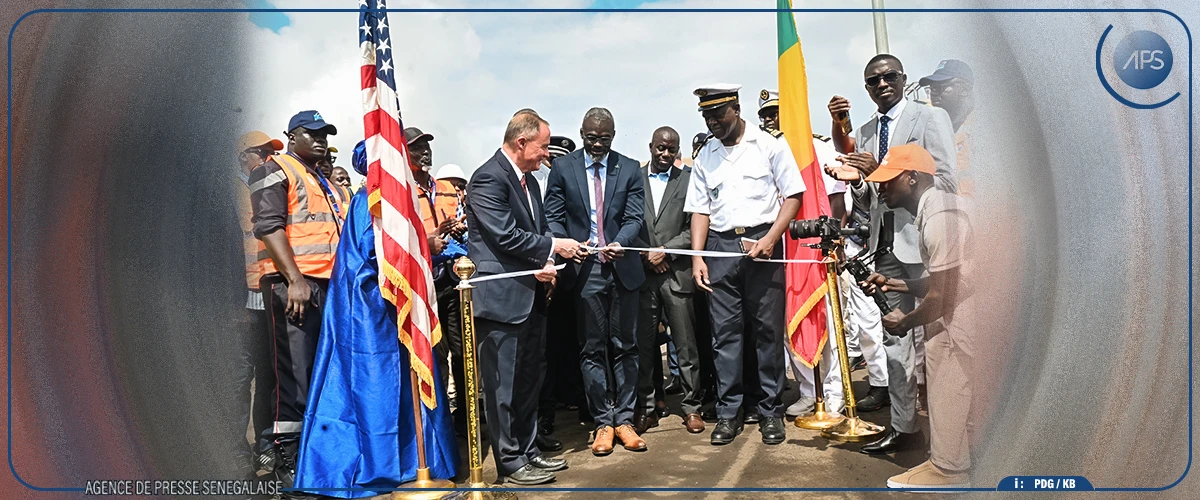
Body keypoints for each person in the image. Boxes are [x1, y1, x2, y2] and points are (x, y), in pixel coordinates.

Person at [293, 139, 459, 498]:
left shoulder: (396, 200)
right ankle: (379, 464)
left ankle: (418, 459)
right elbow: (374, 253)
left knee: (405, 381)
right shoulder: (367, 201)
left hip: (395, 307)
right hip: (369, 312)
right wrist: (422, 248)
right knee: (374, 384)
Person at [825, 54, 958, 455]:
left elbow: (947, 179)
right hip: (882, 245)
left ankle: (950, 432)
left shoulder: (930, 119)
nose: (882, 84)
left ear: (902, 79)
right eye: (873, 81)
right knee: (894, 335)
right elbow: (869, 198)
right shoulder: (866, 130)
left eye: (889, 77)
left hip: (924, 240)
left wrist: (881, 165)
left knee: (937, 335)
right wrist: (862, 179)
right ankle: (904, 428)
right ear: (867, 88)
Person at [685, 84, 805, 446]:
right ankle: (728, 413)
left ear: (735, 109)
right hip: (721, 249)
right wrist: (697, 256)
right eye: (706, 117)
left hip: (763, 246)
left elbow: (794, 195)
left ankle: (770, 411)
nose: (713, 123)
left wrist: (772, 238)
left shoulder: (768, 145)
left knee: (767, 333)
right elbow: (700, 210)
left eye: (718, 115)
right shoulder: (706, 155)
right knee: (725, 337)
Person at [466, 111, 581, 485]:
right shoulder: (487, 179)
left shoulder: (530, 183)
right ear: (521, 142)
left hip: (531, 298)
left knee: (528, 380)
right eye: (543, 147)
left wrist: (546, 262)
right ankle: (510, 462)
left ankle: (528, 450)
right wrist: (554, 247)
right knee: (503, 387)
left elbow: (538, 229)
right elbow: (505, 236)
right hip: (500, 302)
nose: (547, 155)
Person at [859, 144, 976, 489]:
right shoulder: (935, 209)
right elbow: (942, 280)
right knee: (945, 368)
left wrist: (905, 322)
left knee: (948, 376)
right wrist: (896, 282)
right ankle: (950, 463)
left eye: (888, 180)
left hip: (974, 311)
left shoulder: (940, 216)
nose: (880, 187)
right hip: (970, 303)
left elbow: (942, 295)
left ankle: (948, 470)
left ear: (911, 178)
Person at [248, 110, 351, 488]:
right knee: (294, 377)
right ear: (292, 136)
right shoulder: (274, 170)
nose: (321, 140)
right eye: (313, 134)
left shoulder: (321, 179)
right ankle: (287, 463)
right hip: (292, 287)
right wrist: (294, 280)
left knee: (318, 376)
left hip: (324, 287)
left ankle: (316, 459)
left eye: (325, 134)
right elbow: (269, 227)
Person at [544, 107, 647, 456]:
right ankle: (603, 420)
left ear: (614, 136)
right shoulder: (563, 167)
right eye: (591, 138)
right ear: (582, 134)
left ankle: (626, 420)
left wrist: (623, 239)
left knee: (626, 346)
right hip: (585, 271)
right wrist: (567, 245)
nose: (597, 144)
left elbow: (635, 216)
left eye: (604, 138)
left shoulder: (630, 168)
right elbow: (553, 217)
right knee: (591, 348)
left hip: (622, 269)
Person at [756, 89, 864, 418]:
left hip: (814, 247)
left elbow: (835, 199)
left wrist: (835, 243)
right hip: (780, 248)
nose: (771, 119)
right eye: (766, 115)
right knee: (789, 320)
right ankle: (808, 389)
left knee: (825, 320)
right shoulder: (761, 150)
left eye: (777, 111)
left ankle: (831, 392)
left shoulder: (815, 147)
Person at [634, 126, 705, 435]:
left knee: (686, 346)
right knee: (645, 348)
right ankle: (649, 407)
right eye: (660, 148)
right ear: (651, 146)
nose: (665, 154)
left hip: (677, 274)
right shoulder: (633, 178)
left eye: (671, 149)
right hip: (642, 277)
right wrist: (645, 255)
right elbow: (625, 221)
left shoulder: (688, 180)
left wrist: (665, 252)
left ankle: (692, 407)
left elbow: (696, 226)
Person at [402, 127, 472, 440]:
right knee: (433, 353)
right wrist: (428, 242)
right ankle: (437, 422)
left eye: (426, 147)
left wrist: (456, 237)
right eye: (416, 148)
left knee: (462, 351)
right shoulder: (400, 189)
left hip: (453, 281)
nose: (424, 153)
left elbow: (461, 226)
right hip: (421, 285)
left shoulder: (445, 188)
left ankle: (465, 418)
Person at [235, 131, 283, 475]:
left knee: (269, 376)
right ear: (242, 157)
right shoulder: (226, 192)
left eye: (270, 153)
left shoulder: (269, 187)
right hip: (238, 303)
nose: (268, 159)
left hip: (267, 297)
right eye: (261, 153)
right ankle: (235, 448)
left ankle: (266, 446)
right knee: (238, 378)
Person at [536, 135, 584, 449]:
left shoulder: (570, 180)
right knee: (547, 350)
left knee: (576, 341)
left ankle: (578, 398)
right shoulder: (535, 184)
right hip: (546, 273)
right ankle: (546, 415)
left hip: (574, 272)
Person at [920, 59, 976, 197]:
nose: (934, 93)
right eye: (932, 89)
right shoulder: (934, 131)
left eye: (940, 87)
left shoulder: (986, 130)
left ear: (964, 90)